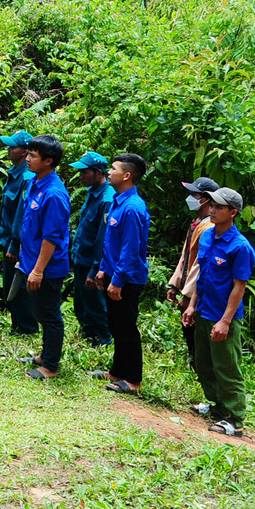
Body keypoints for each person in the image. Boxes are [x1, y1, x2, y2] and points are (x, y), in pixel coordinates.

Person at [183, 188, 255, 437]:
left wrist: (225, 322)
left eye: (219, 207)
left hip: (223, 318)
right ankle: (217, 407)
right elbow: (201, 277)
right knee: (204, 364)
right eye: (211, 205)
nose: (212, 210)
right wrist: (192, 305)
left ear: (233, 212)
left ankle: (234, 420)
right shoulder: (207, 237)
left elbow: (239, 288)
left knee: (227, 367)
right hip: (203, 311)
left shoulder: (240, 247)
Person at [95, 153, 151, 394]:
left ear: (127, 175)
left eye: (113, 168)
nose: (109, 172)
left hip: (127, 279)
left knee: (127, 327)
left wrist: (117, 281)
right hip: (113, 274)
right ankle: (117, 371)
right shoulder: (119, 201)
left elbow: (129, 250)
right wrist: (103, 270)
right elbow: (112, 244)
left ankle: (133, 379)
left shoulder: (133, 208)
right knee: (116, 325)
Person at [18, 135, 71, 379]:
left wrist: (38, 270)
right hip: (31, 262)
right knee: (40, 311)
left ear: (48, 161)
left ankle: (50, 366)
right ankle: (43, 354)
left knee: (50, 315)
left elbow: (51, 237)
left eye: (33, 156)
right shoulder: (34, 183)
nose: (27, 159)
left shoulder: (54, 194)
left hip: (47, 268)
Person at [168, 177, 220, 370]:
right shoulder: (197, 222)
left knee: (194, 329)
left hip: (197, 291)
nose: (189, 198)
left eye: (194, 194)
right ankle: (195, 363)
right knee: (188, 328)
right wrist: (175, 284)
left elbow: (199, 264)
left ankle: (199, 366)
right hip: (188, 286)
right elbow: (186, 255)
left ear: (205, 199)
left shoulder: (209, 227)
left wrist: (189, 295)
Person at [69, 151, 114, 346]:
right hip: (81, 258)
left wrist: (95, 269)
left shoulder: (107, 199)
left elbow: (102, 239)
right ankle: (88, 335)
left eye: (85, 172)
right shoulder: (92, 192)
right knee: (81, 302)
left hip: (92, 263)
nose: (81, 176)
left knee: (96, 304)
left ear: (98, 172)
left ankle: (103, 340)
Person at [0, 130, 39, 336]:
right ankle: (17, 325)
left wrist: (15, 244)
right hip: (7, 239)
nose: (9, 150)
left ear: (24, 152)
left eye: (12, 147)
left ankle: (26, 328)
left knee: (19, 287)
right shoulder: (14, 173)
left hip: (17, 244)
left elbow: (22, 216)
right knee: (9, 286)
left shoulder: (27, 178)